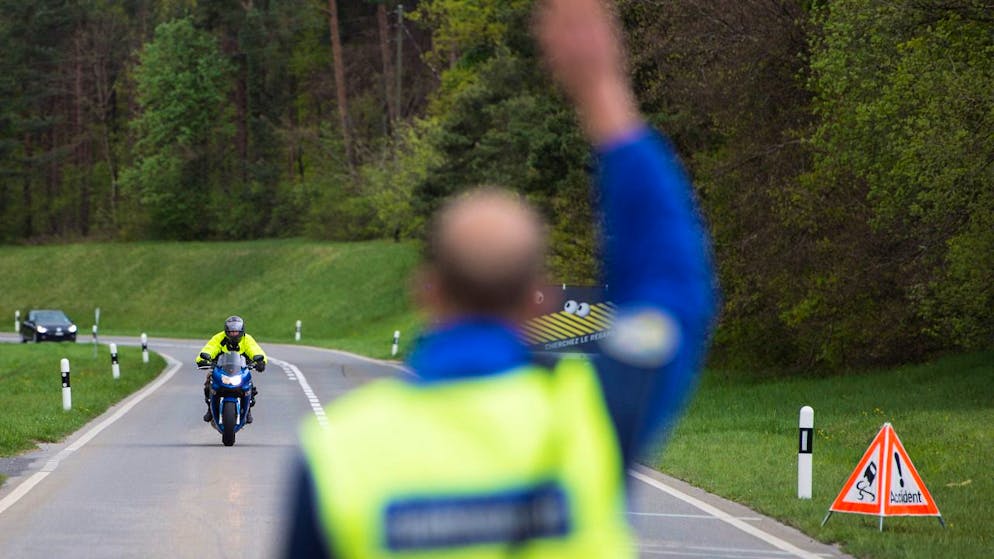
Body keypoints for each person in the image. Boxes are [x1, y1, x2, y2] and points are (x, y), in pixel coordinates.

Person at [283, 0, 717, 556]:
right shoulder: (590, 417)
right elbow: (671, 285)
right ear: (538, 301)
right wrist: (603, 95)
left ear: (428, 293)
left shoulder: (340, 453)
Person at [196, 315, 267, 423]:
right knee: (209, 383)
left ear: (242, 331)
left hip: (241, 369)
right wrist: (203, 359)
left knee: (249, 384)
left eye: (236, 331)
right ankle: (210, 408)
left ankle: (248, 410)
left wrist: (261, 362)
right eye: (231, 332)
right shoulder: (219, 338)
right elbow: (210, 348)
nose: (234, 334)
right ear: (226, 331)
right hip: (220, 368)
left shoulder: (247, 339)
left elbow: (255, 349)